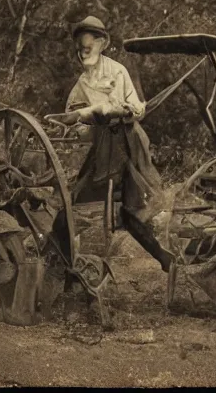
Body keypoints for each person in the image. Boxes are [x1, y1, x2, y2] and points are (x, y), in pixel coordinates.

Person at [46, 16, 172, 270]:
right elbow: (76, 124)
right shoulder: (80, 86)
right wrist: (71, 124)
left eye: (89, 48)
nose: (84, 53)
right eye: (81, 49)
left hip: (128, 146)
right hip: (101, 151)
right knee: (71, 209)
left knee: (134, 210)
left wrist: (123, 110)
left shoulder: (118, 71)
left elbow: (138, 108)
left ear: (102, 45)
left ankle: (166, 258)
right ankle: (62, 261)